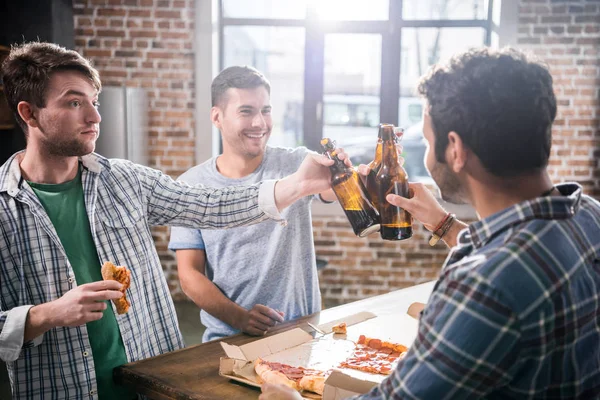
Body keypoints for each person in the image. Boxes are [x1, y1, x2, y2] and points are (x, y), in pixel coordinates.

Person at [0, 42, 347, 399]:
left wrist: (298, 184)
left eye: (94, 102)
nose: (94, 117)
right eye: (75, 103)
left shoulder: (126, 181)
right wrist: (44, 315)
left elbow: (212, 205)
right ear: (29, 113)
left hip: (152, 382)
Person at [260, 47, 600, 399]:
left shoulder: (482, 285)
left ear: (455, 148)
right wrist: (444, 224)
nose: (424, 153)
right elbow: (519, 248)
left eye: (426, 139)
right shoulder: (588, 216)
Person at [168, 66, 338, 341]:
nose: (260, 123)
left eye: (266, 110)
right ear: (217, 117)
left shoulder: (296, 163)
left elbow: (329, 191)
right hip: (229, 339)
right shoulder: (191, 184)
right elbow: (189, 275)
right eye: (246, 111)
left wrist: (340, 178)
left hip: (303, 335)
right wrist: (241, 318)